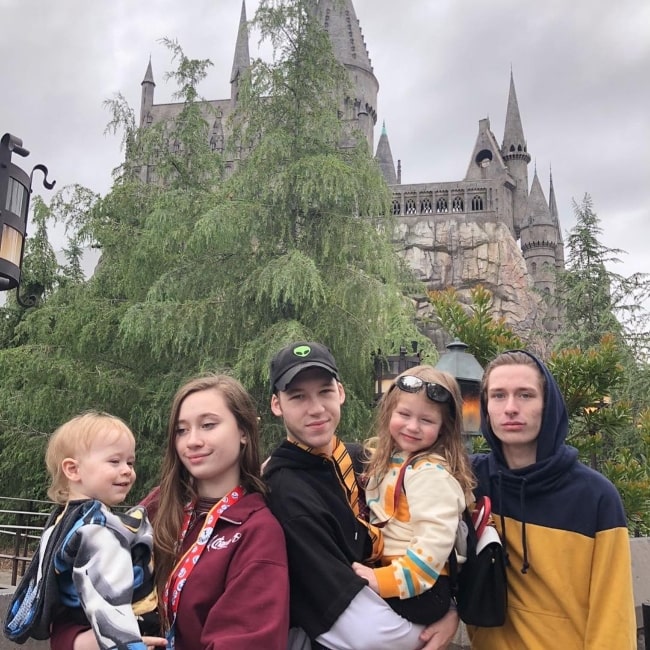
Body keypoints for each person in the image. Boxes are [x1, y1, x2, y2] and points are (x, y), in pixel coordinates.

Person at [50, 375, 290, 650]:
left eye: (208, 425)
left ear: (244, 432)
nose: (193, 441)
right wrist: (87, 641)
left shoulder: (257, 531)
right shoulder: (155, 508)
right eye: (181, 430)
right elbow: (73, 603)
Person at [263, 341, 459, 650]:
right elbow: (368, 633)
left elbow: (447, 524)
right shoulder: (288, 492)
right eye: (298, 397)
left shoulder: (360, 460)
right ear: (277, 405)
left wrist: (451, 609)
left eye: (324, 392)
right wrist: (435, 621)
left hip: (414, 591)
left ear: (340, 392)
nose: (315, 409)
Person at [469, 350, 636, 648]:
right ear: (486, 407)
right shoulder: (467, 481)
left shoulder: (595, 497)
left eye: (525, 395)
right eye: (498, 395)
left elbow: (613, 614)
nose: (510, 408)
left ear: (547, 404)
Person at [4, 411, 166, 650]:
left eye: (130, 462)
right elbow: (107, 598)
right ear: (73, 470)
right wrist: (126, 645)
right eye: (114, 461)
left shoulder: (62, 522)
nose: (127, 471)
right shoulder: (98, 530)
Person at [352, 366, 475, 626]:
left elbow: (433, 543)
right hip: (405, 580)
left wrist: (381, 581)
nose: (412, 426)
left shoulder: (429, 474)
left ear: (443, 428)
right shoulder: (396, 461)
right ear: (389, 413)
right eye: (404, 414)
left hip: (418, 587)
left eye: (426, 420)